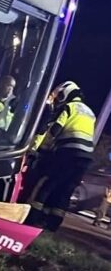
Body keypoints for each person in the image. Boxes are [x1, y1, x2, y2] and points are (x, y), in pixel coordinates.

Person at [20, 81, 95, 231]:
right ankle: (53, 224)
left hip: (68, 152)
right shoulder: (90, 112)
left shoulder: (69, 107)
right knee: (65, 189)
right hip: (85, 157)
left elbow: (55, 130)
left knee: (47, 183)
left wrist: (41, 149)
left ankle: (32, 218)